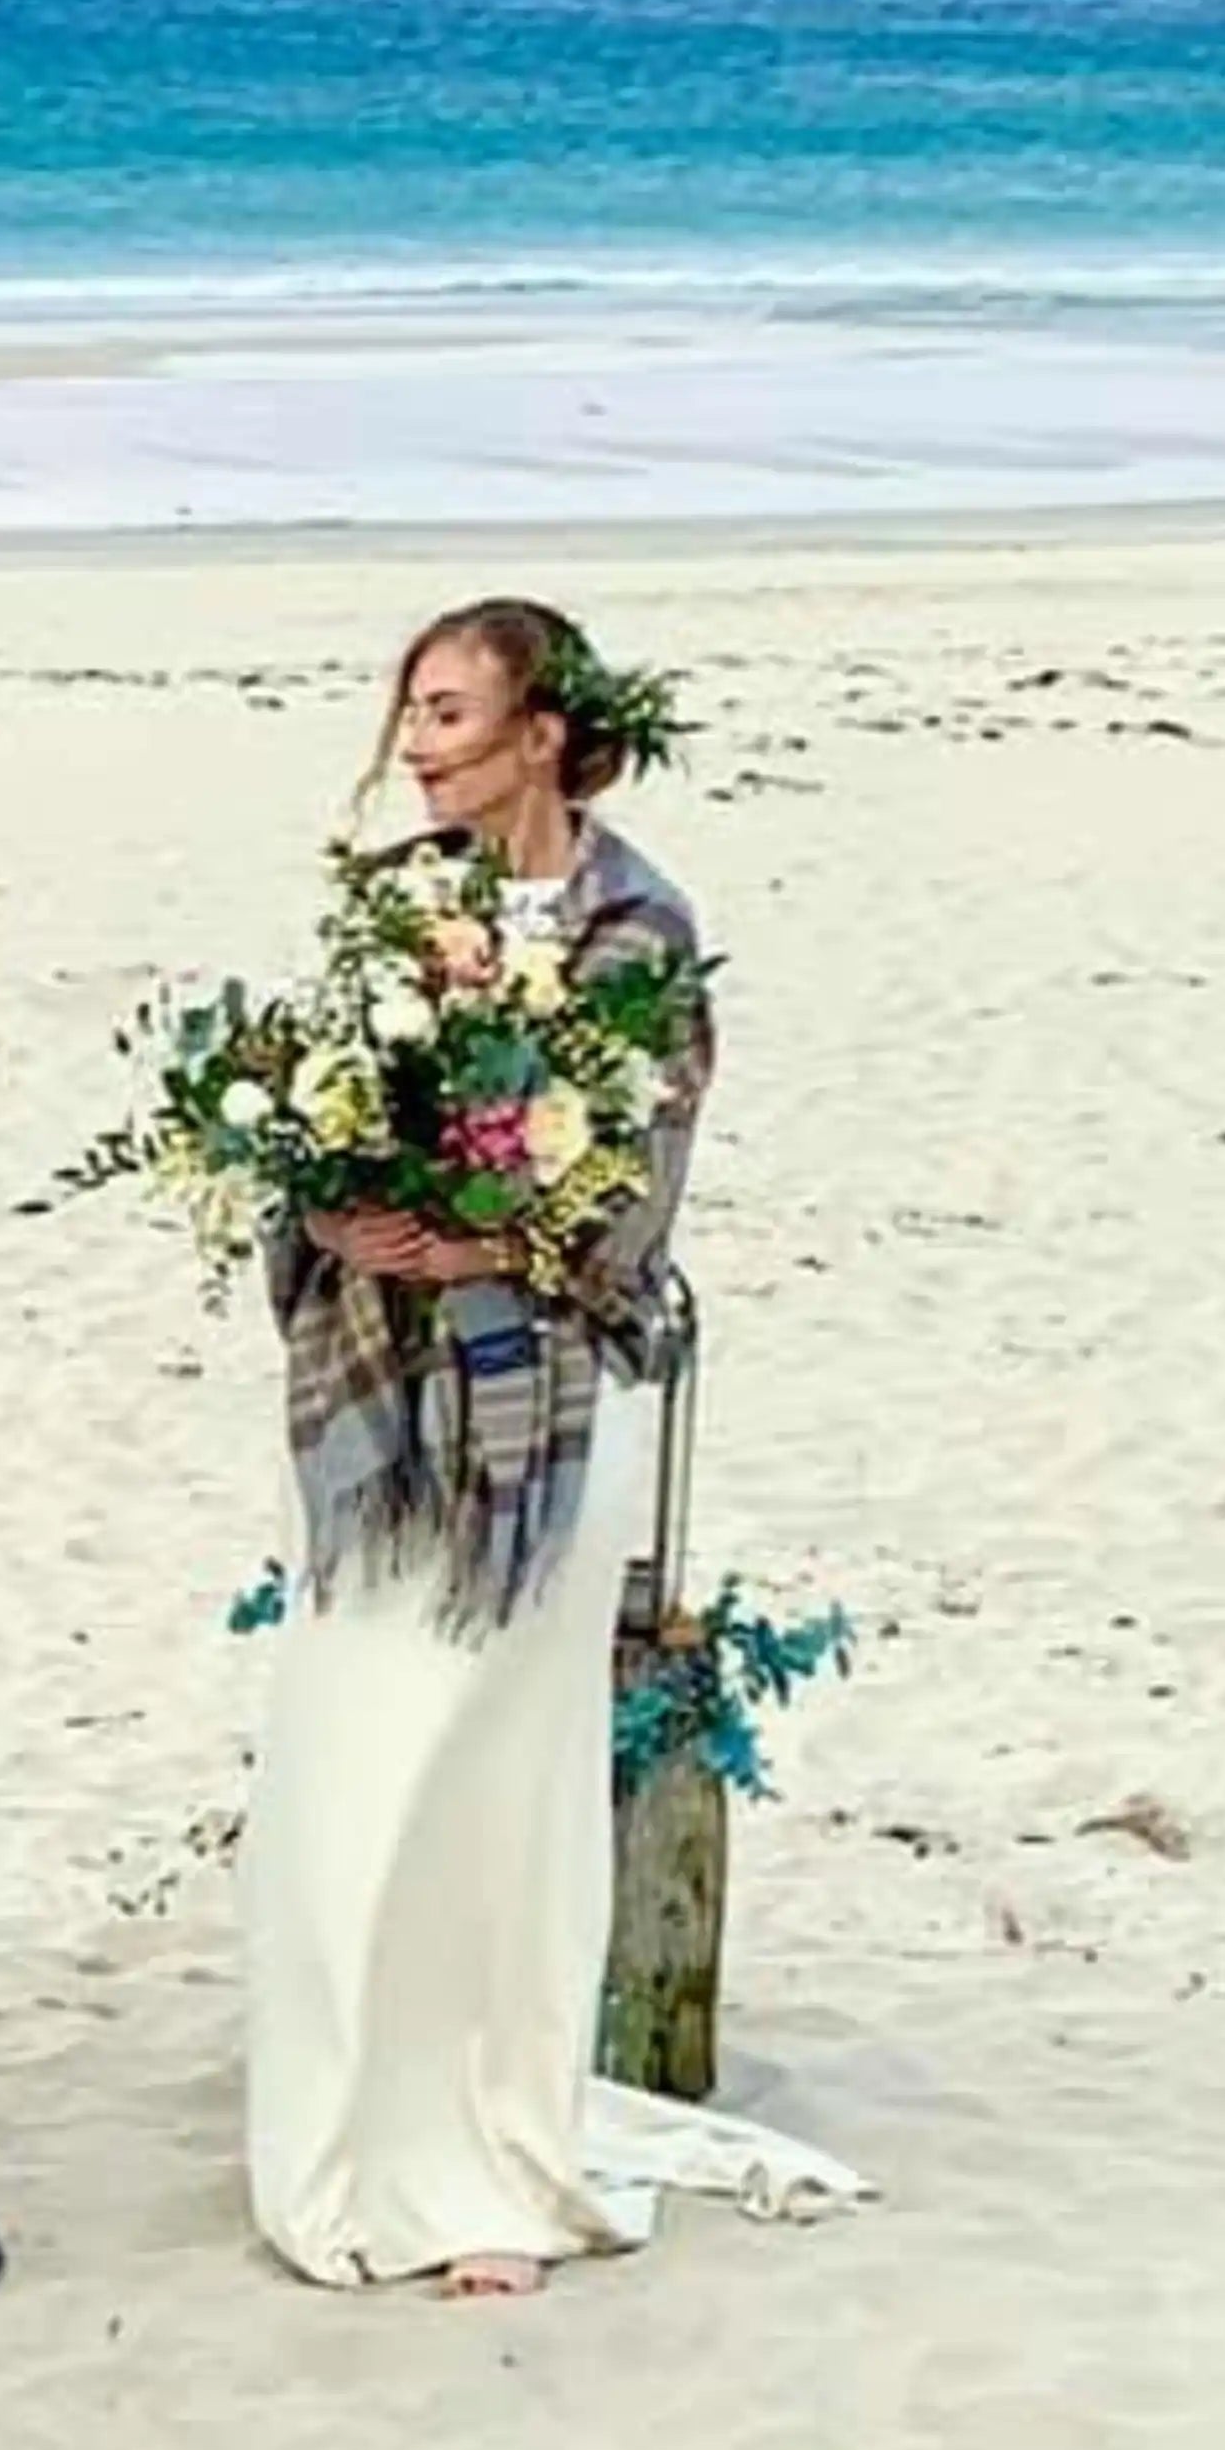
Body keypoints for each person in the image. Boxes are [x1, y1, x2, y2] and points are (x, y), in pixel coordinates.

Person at [248, 597, 717, 2298]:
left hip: (544, 1411)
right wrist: (336, 1205)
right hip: (384, 1392)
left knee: (487, 1780)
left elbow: (631, 1185)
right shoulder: (392, 908)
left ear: (541, 729)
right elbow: (313, 1112)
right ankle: (344, 2131)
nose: (419, 745)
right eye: (410, 714)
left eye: (450, 714)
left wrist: (493, 1247)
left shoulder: (637, 930)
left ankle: (478, 2148)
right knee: (350, 1766)